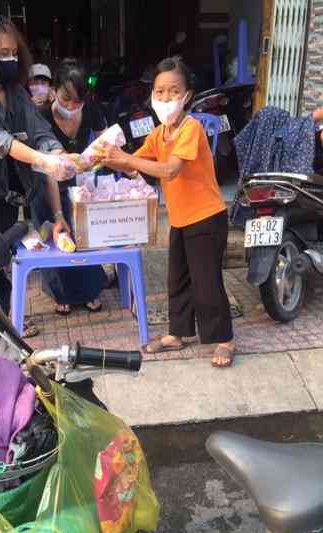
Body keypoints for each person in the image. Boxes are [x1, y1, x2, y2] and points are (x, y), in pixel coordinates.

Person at [98, 57, 235, 368]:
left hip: (207, 217)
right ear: (152, 95)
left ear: (186, 96)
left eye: (173, 91)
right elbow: (133, 162)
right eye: (159, 91)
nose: (165, 97)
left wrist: (126, 160)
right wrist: (99, 156)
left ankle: (225, 338)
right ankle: (177, 334)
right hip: (181, 218)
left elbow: (170, 170)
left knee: (206, 282)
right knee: (178, 280)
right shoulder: (159, 134)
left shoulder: (191, 128)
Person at [0, 15, 77, 336]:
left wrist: (56, 152)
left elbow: (40, 131)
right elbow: (1, 141)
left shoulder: (17, 94)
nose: (9, 59)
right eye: (1, 53)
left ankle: (8, 316)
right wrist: (42, 159)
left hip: (16, 189)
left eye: (12, 52)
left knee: (14, 253)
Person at [33, 59, 109, 315]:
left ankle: (89, 291)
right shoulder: (42, 116)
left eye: (78, 102)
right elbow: (48, 172)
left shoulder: (91, 110)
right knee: (56, 236)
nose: (71, 107)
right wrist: (58, 214)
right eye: (66, 99)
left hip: (78, 181)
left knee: (83, 233)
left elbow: (106, 144)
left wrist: (98, 161)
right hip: (45, 183)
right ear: (54, 91)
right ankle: (60, 293)